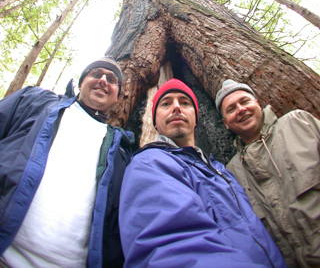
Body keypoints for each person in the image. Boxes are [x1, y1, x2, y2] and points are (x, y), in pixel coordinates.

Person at [119, 78, 286, 268]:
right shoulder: (149, 164)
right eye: (166, 104)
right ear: (154, 121)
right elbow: (174, 249)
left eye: (185, 103)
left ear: (196, 118)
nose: (176, 108)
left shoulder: (223, 171)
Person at [0, 56, 134, 268]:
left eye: (111, 79)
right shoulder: (35, 101)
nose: (103, 80)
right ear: (80, 84)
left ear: (118, 96)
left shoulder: (121, 151)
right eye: (96, 74)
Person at [215, 79, 320, 268]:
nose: (240, 109)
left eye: (245, 101)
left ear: (257, 103)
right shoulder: (232, 173)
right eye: (231, 109)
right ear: (225, 124)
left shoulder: (299, 123)